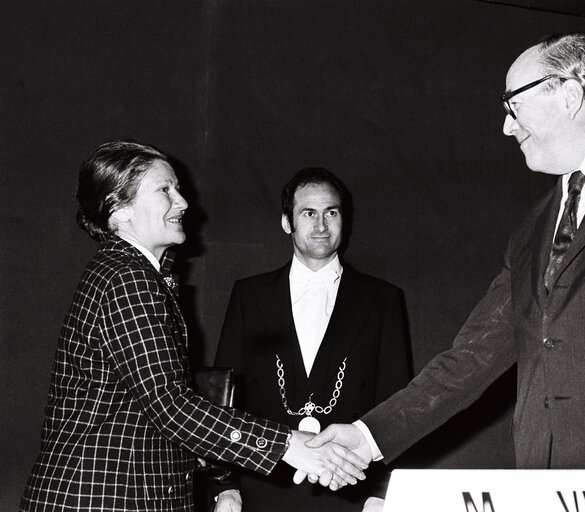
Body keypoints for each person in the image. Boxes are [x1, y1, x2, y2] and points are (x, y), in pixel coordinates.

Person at [308, 33, 585, 512]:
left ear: (569, 94)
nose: (506, 128)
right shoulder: (531, 230)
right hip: (552, 489)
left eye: (513, 105)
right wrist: (366, 436)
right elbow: (468, 359)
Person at [20, 141, 367, 512]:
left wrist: (223, 481)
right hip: (102, 502)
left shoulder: (130, 275)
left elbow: (148, 415)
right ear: (119, 208)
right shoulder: (127, 278)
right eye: (165, 190)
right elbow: (171, 405)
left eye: (178, 189)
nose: (183, 202)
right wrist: (287, 446)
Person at [211, 167, 412, 511]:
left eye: (331, 213)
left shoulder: (382, 299)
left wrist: (382, 493)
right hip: (263, 488)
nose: (321, 226)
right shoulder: (251, 295)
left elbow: (397, 402)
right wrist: (226, 487)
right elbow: (226, 397)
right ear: (287, 222)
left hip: (351, 490)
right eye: (308, 213)